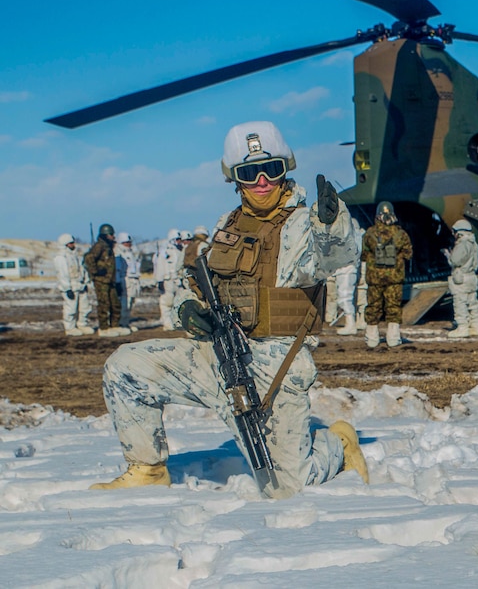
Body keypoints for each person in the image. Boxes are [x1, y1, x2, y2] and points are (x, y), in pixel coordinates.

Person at [90, 121, 367, 499]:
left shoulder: (308, 220)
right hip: (218, 355)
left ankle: (338, 443)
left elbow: (337, 255)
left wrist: (332, 222)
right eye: (249, 173)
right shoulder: (227, 223)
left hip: (274, 366)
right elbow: (198, 284)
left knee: (285, 488)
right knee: (126, 366)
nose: (263, 180)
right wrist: (188, 309)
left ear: (287, 167)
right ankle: (147, 468)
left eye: (273, 169)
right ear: (234, 179)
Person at [361, 201, 413, 348]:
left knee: (373, 306)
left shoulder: (369, 233)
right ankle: (393, 338)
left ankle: (372, 338)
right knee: (394, 307)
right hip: (394, 278)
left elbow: (364, 254)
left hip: (374, 278)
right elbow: (408, 254)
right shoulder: (401, 234)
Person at [84, 223, 128, 337]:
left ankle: (114, 325)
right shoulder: (99, 246)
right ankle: (104, 328)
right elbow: (89, 258)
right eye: (111, 235)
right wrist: (96, 271)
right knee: (104, 304)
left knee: (115, 303)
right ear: (105, 235)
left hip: (110, 281)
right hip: (101, 281)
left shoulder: (108, 246)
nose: (113, 236)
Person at [442, 219, 478, 338]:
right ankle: (476, 326)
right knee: (473, 303)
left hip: (461, 278)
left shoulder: (462, 243)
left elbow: (455, 261)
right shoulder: (473, 243)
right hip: (471, 276)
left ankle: (462, 327)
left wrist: (447, 255)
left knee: (460, 303)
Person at [54, 233, 95, 336]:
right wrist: (67, 288)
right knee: (71, 308)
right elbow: (62, 274)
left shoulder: (76, 256)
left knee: (85, 307)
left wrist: (86, 282)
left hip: (80, 285)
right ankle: (70, 327)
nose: (73, 244)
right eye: (71, 243)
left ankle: (82, 324)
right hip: (71, 287)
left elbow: (82, 270)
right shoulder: (61, 258)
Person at [331, 222, 365, 336]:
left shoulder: (349, 236)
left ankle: (350, 324)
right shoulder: (355, 235)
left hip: (345, 269)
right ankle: (351, 323)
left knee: (345, 297)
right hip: (346, 268)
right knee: (346, 297)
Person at [154, 228, 186, 330]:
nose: (179, 241)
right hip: (167, 281)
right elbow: (160, 266)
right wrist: (159, 280)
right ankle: (167, 323)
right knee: (167, 303)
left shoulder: (180, 250)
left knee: (178, 302)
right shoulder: (164, 251)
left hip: (177, 281)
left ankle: (176, 322)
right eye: (177, 239)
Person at [115, 232, 142, 332]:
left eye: (129, 242)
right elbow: (117, 269)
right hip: (125, 279)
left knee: (130, 303)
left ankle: (126, 323)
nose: (128, 244)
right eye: (126, 242)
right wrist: (118, 283)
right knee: (124, 303)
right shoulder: (119, 253)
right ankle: (121, 323)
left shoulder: (132, 252)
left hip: (133, 280)